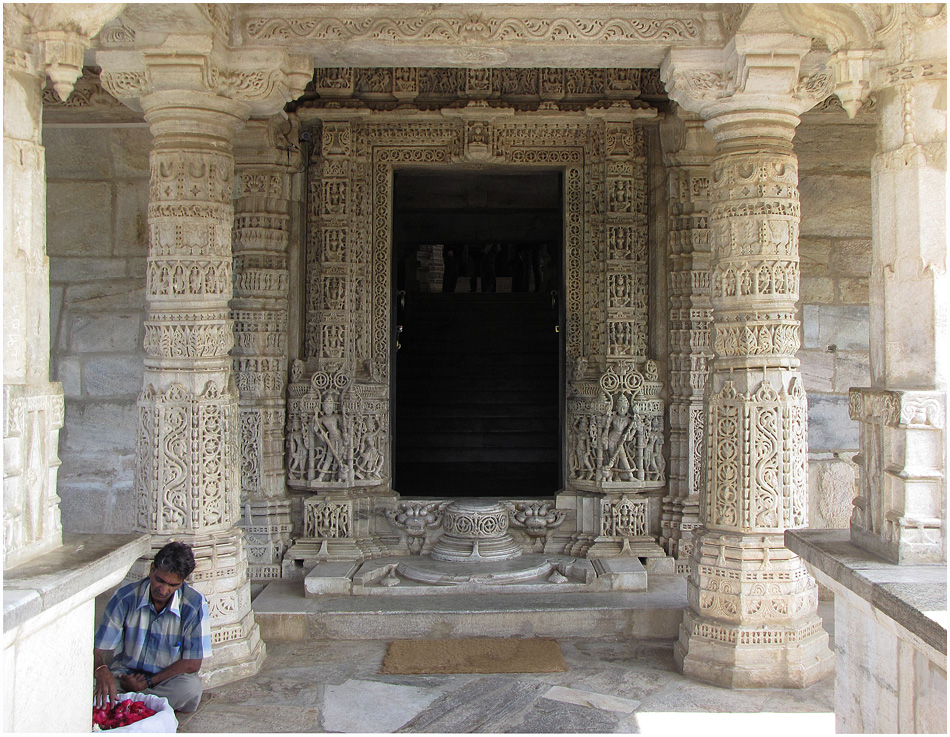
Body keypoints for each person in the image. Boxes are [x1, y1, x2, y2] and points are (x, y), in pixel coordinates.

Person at [93, 541, 211, 713]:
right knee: (85, 687)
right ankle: (146, 706)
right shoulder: (125, 597)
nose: (163, 590)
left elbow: (192, 663)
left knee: (190, 689)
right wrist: (101, 669)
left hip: (164, 680)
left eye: (173, 585)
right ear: (151, 569)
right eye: (160, 581)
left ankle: (129, 704)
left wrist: (148, 682)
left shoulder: (194, 604)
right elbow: (99, 649)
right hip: (124, 676)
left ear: (183, 582)